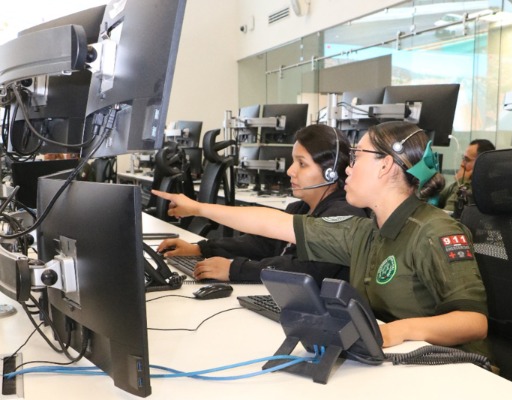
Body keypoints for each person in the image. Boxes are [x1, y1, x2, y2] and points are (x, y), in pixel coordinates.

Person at [153, 121, 490, 357]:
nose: (347, 168)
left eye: (357, 157)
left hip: (452, 374)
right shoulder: (365, 231)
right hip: (390, 360)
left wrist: (396, 331)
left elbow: (474, 323)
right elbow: (276, 224)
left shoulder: (435, 231)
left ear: (386, 166)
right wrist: (198, 207)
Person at [157, 124, 368, 283]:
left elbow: (304, 270)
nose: (290, 171)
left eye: (302, 164)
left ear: (331, 172)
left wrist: (235, 269)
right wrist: (201, 248)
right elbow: (259, 244)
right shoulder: (300, 209)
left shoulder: (344, 215)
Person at [438, 139, 495, 216]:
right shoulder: (461, 183)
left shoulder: (480, 190)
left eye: (467, 160)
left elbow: (449, 216)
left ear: (482, 163)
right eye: (463, 159)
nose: (462, 164)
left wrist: (462, 182)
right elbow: (434, 201)